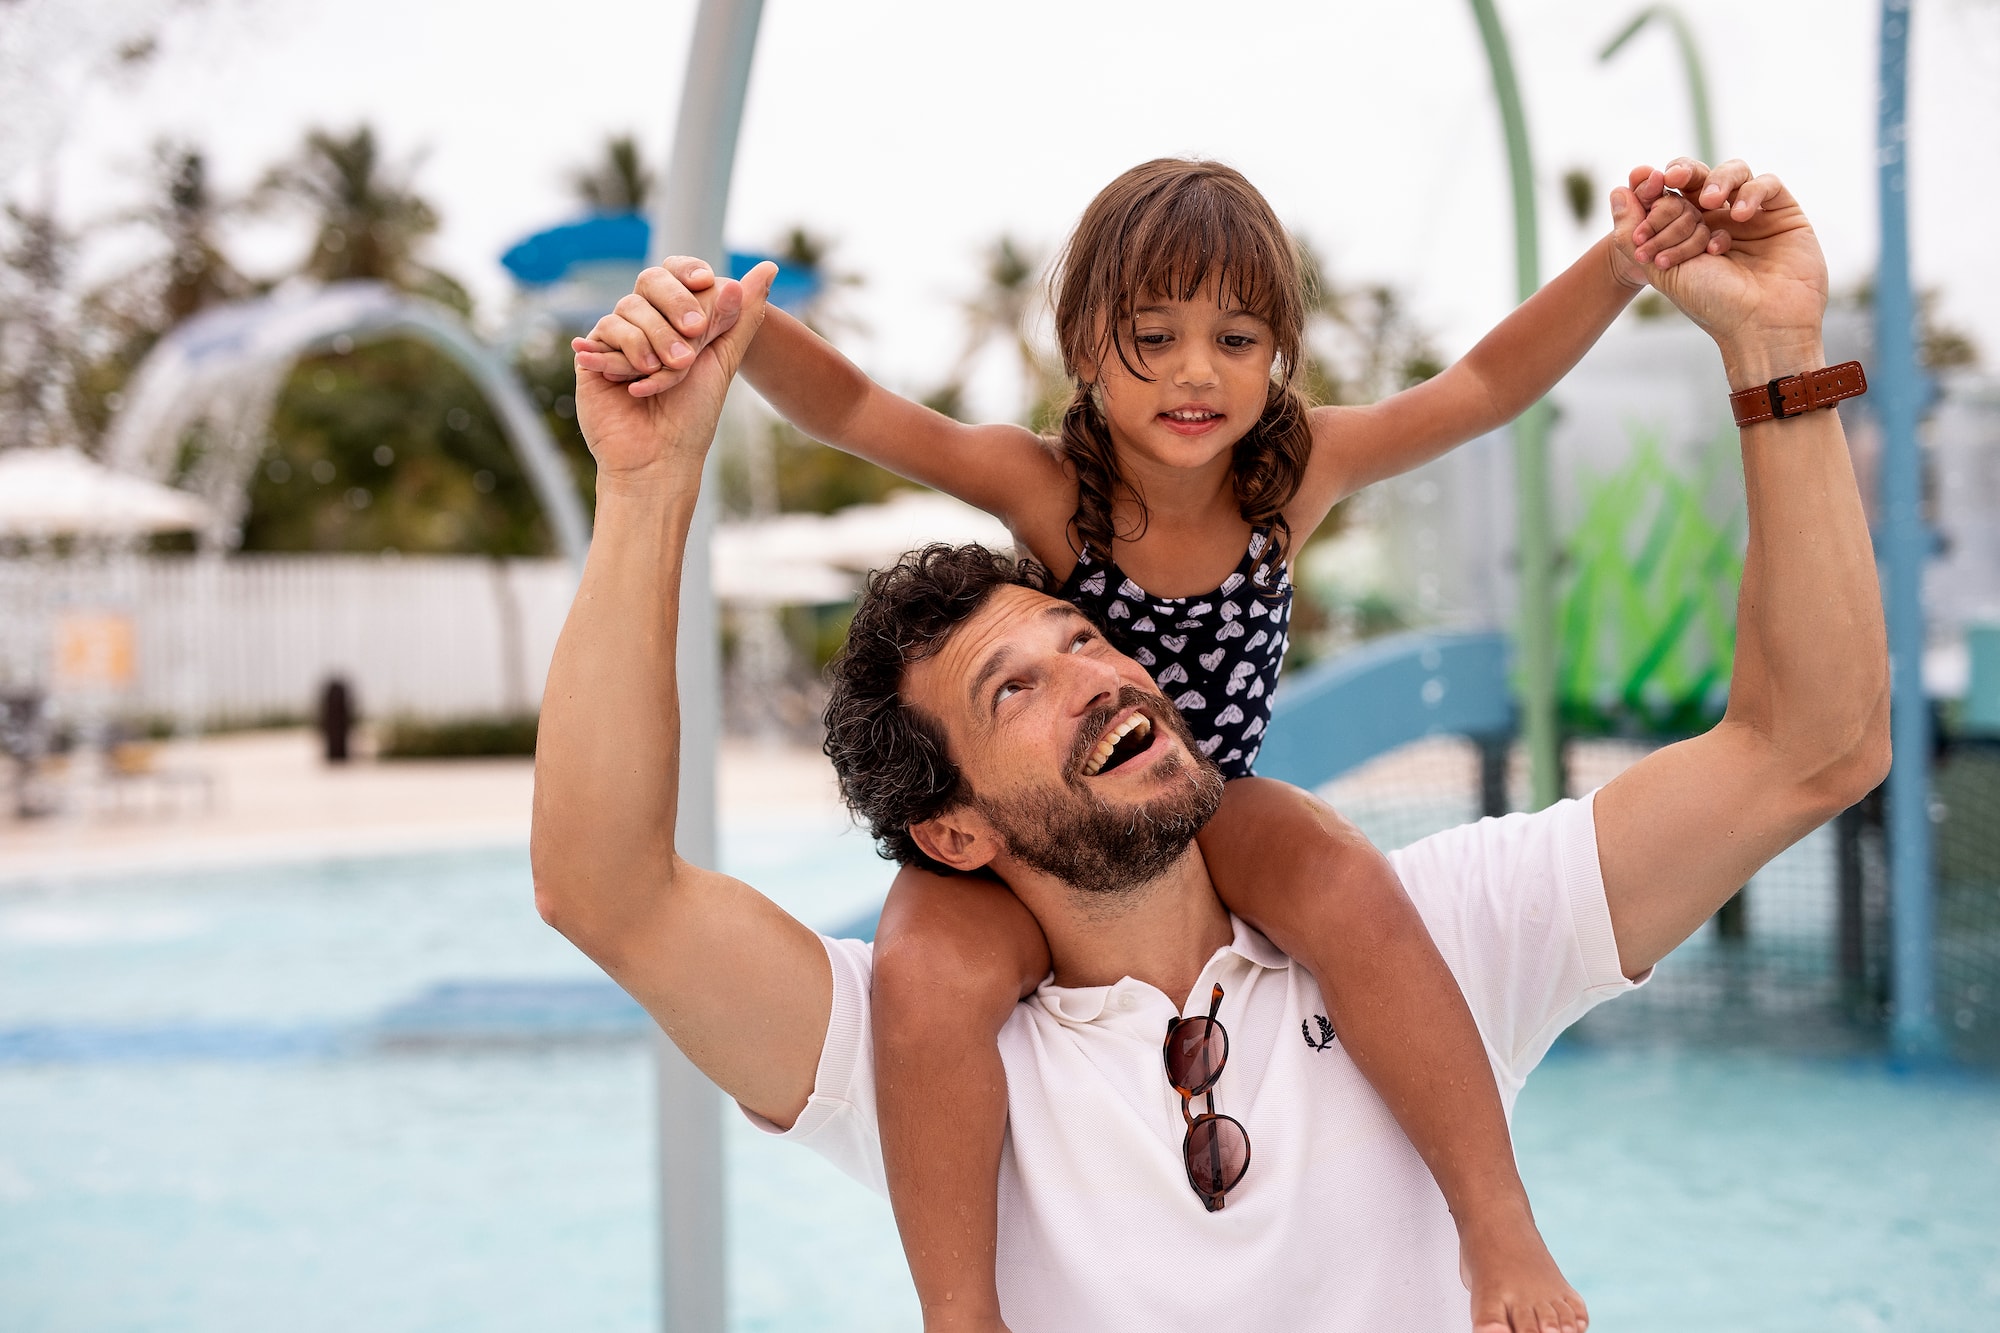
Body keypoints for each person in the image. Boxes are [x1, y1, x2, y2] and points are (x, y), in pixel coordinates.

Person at [532, 156, 1889, 1331]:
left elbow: (1483, 386)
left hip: (1229, 797)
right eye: (1155, 338)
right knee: (924, 970)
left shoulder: (1291, 481)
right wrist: (729, 348)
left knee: (1342, 877)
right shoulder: (1047, 488)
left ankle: (1497, 1217)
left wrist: (1635, 268)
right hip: (1038, 884)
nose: (1198, 373)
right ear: (1085, 348)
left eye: (1238, 341)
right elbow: (870, 417)